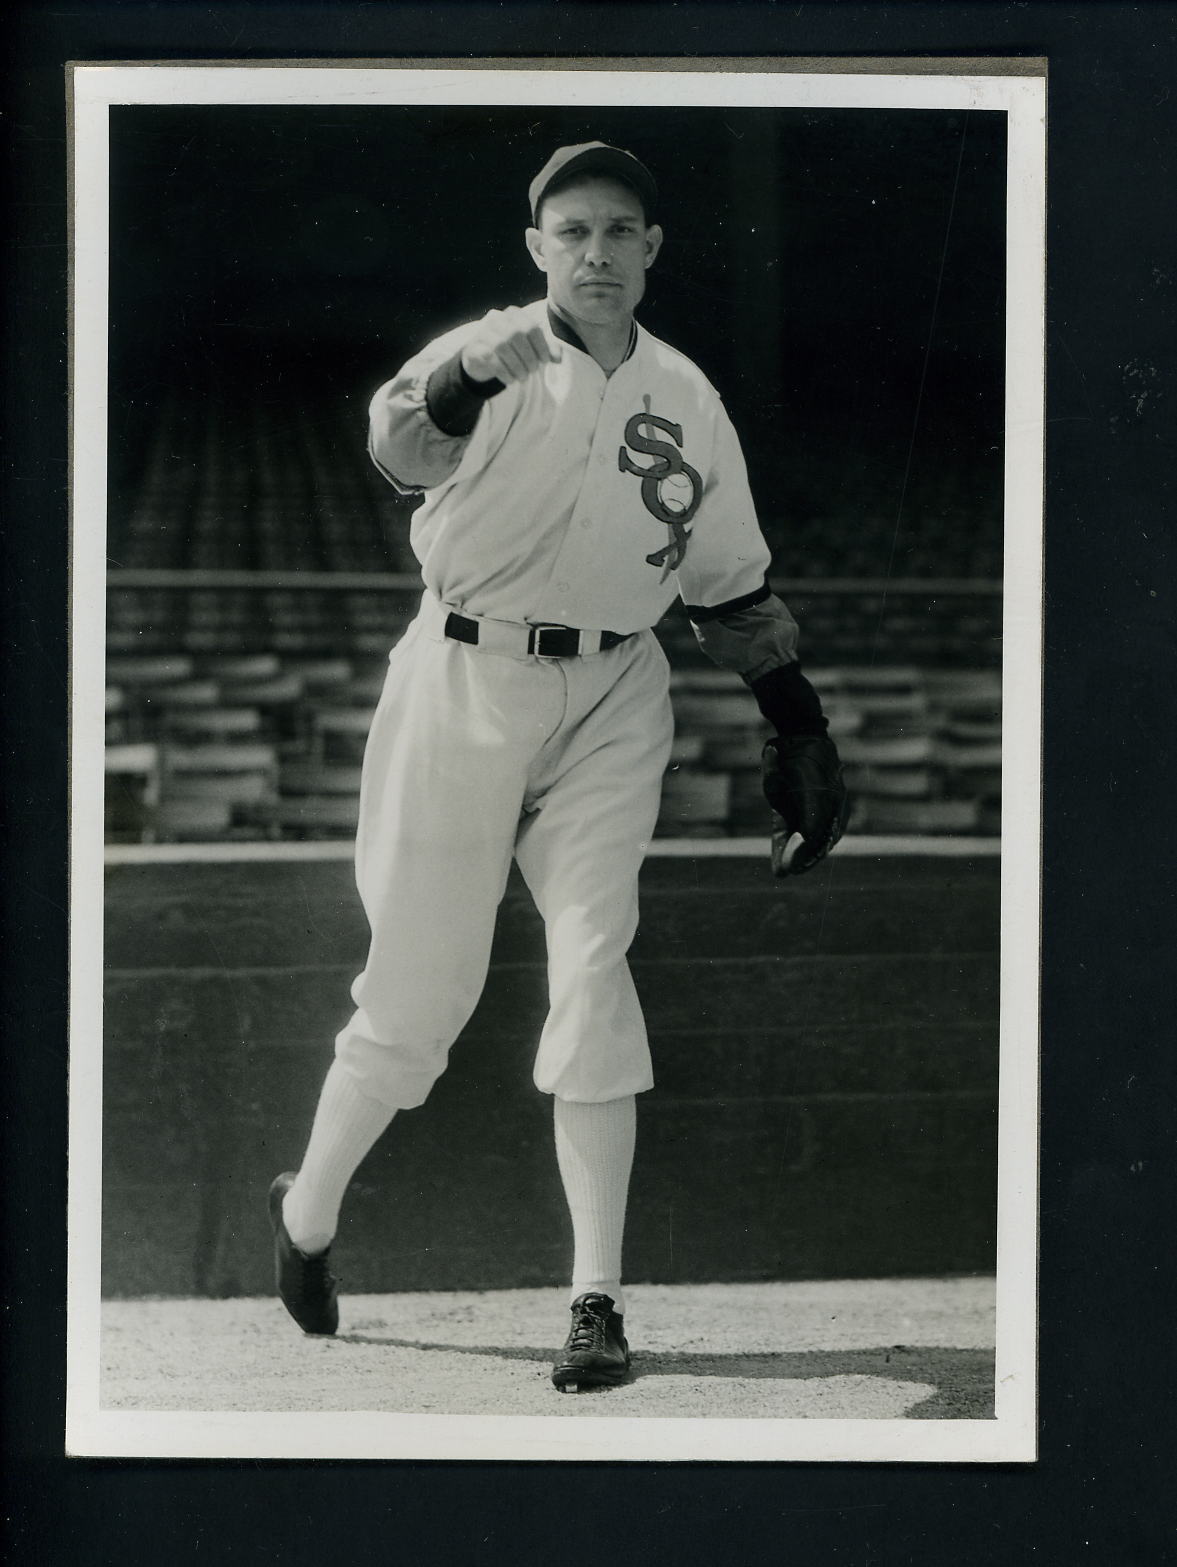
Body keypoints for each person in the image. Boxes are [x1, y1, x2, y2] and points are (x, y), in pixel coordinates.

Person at [269, 141, 848, 1392]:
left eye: (619, 230)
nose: (595, 251)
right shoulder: (489, 348)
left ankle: (596, 1299)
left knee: (593, 963)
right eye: (571, 230)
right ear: (538, 248)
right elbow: (399, 453)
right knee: (415, 1004)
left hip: (614, 689)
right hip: (465, 673)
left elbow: (729, 577)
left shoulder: (687, 395)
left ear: (650, 250)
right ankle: (308, 1217)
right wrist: (470, 378)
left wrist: (796, 722)